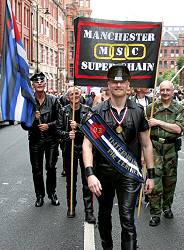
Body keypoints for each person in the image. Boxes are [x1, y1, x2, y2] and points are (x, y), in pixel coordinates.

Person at [82, 65, 155, 250]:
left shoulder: (138, 112)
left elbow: (146, 144)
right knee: (104, 216)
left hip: (128, 174)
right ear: (108, 84)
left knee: (127, 218)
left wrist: (151, 175)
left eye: (122, 81)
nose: (118, 84)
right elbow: (87, 145)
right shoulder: (97, 111)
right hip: (103, 173)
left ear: (128, 84)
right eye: (114, 81)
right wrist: (90, 174)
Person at [147, 80, 184, 226]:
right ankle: (155, 213)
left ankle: (167, 207)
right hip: (154, 148)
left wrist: (158, 123)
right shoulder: (151, 108)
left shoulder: (179, 108)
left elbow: (178, 129)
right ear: (159, 91)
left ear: (172, 91)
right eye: (162, 90)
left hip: (170, 149)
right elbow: (144, 131)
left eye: (167, 90)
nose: (164, 93)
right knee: (155, 182)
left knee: (170, 181)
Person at [55, 87, 96, 222]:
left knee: (87, 180)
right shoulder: (63, 111)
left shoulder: (87, 110)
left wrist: (78, 126)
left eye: (77, 93)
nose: (74, 96)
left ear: (81, 95)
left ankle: (89, 211)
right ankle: (71, 206)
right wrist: (67, 134)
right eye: (71, 94)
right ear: (68, 97)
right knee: (70, 180)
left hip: (85, 149)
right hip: (69, 149)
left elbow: (93, 130)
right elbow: (58, 130)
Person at [21, 72, 60, 207]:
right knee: (36, 169)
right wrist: (32, 118)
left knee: (50, 167)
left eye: (41, 81)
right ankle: (39, 195)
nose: (39, 83)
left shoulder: (54, 100)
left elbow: (60, 121)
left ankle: (52, 193)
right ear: (33, 85)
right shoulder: (29, 102)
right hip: (35, 140)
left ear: (45, 84)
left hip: (51, 140)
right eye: (36, 81)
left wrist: (48, 125)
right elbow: (24, 126)